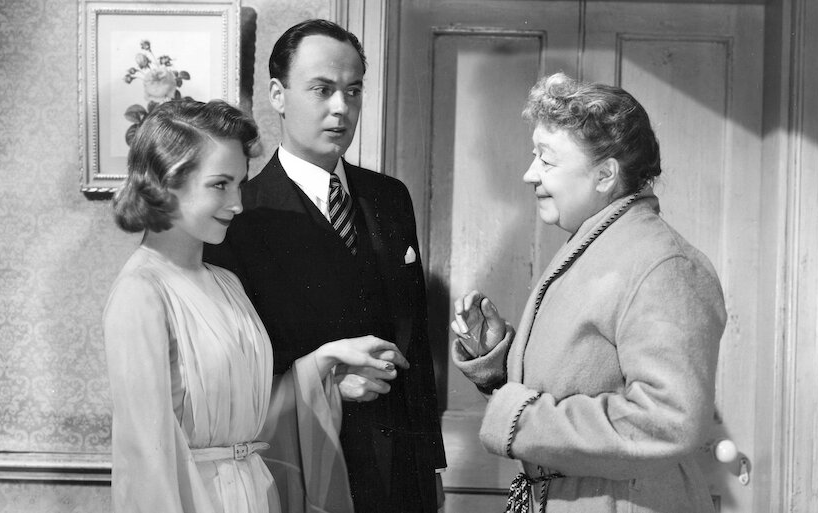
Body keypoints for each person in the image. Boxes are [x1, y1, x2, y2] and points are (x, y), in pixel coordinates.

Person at [103, 98, 405, 513]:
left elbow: (254, 418)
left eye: (240, 184)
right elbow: (145, 462)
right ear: (166, 182)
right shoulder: (142, 292)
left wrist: (325, 362)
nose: (238, 203)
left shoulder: (227, 284)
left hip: (257, 496)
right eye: (220, 185)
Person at [450, 73, 726, 513]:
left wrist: (520, 419)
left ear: (604, 175)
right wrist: (498, 366)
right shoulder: (596, 246)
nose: (529, 174)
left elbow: (670, 421)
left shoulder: (665, 265)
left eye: (547, 160)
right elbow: (580, 383)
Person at [203, 19, 446, 513]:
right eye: (322, 89)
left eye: (353, 91)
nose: (341, 108)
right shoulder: (240, 216)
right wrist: (329, 383)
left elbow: (416, 342)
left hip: (401, 471)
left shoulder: (390, 198)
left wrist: (431, 469)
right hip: (303, 465)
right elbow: (231, 377)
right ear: (278, 94)